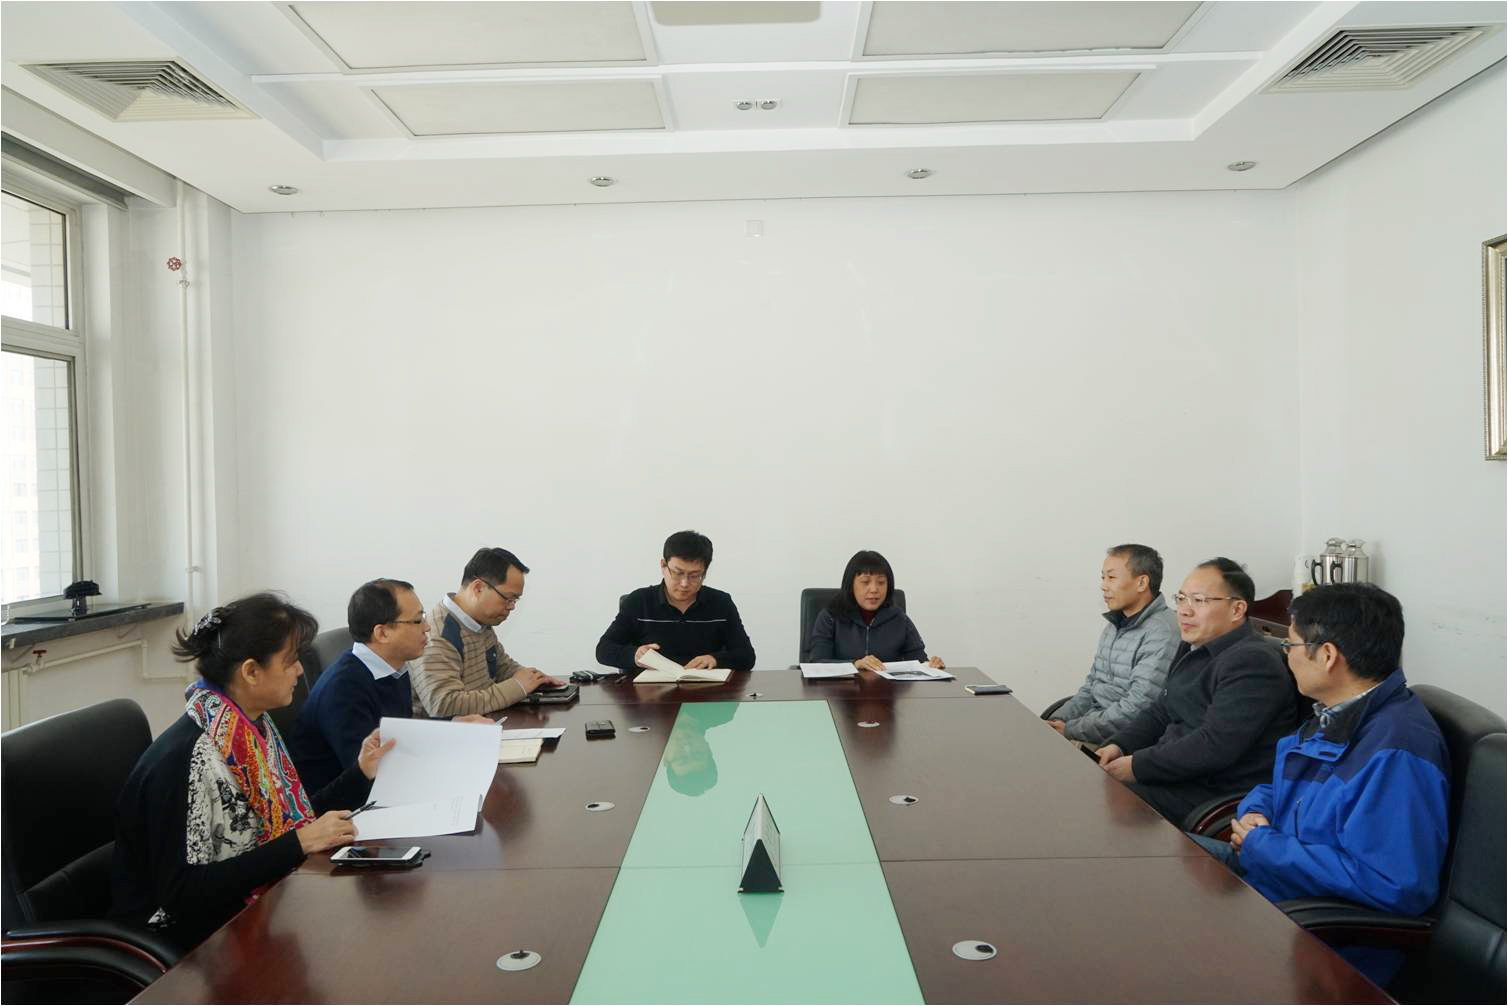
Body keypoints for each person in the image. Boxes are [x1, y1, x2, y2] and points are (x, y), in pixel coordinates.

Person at [1186, 583, 1449, 987]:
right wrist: (1256, 811)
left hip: (1319, 940)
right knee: (1165, 861)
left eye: (1289, 645)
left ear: (1327, 656)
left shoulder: (1398, 752)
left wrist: (1264, 845)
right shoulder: (1339, 713)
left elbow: (1394, 885)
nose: (1286, 655)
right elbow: (1285, 787)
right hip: (1276, 880)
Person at [111, 593, 392, 952]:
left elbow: (294, 819)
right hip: (186, 939)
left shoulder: (249, 727)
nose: (300, 670)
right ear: (251, 671)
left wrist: (360, 772)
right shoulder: (191, 758)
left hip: (252, 906)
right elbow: (182, 893)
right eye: (290, 661)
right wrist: (299, 844)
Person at [1095, 558, 1300, 824]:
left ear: (1237, 609)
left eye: (1199, 600)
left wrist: (1137, 766)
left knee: (1099, 806)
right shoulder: (1194, 646)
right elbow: (1162, 710)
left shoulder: (1253, 662)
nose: (1184, 611)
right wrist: (1119, 745)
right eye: (1181, 599)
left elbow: (1214, 746)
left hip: (1210, 792)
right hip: (1174, 775)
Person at [291, 578, 491, 793]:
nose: (427, 627)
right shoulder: (342, 690)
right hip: (342, 805)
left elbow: (396, 733)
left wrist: (453, 724)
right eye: (417, 620)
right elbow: (370, 776)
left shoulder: (393, 667)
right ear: (382, 633)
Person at [1046, 544, 1178, 747]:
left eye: (1111, 577)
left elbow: (1138, 707)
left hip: (1122, 742)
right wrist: (1056, 720)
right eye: (1103, 577)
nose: (1104, 586)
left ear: (1142, 582)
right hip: (1091, 728)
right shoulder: (1114, 626)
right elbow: (1091, 688)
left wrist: (1071, 729)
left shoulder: (1163, 632)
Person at [411, 548, 564, 718]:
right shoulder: (438, 634)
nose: (512, 606)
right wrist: (518, 687)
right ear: (478, 588)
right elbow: (444, 705)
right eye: (508, 598)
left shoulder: (479, 622)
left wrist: (536, 679)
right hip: (451, 734)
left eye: (515, 600)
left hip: (486, 724)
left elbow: (502, 666)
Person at [595, 530, 756, 673]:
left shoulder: (721, 603)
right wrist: (634, 655)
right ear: (663, 566)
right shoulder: (638, 601)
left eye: (695, 576)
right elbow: (603, 650)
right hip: (649, 693)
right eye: (678, 573)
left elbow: (746, 656)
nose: (685, 583)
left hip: (704, 690)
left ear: (705, 572)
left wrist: (715, 659)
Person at [802, 549, 945, 670]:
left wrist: (931, 665)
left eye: (881, 582)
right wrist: (855, 664)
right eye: (865, 582)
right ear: (850, 584)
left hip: (887, 692)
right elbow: (817, 664)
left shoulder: (899, 618)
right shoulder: (830, 616)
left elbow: (919, 661)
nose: (874, 589)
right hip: (841, 693)